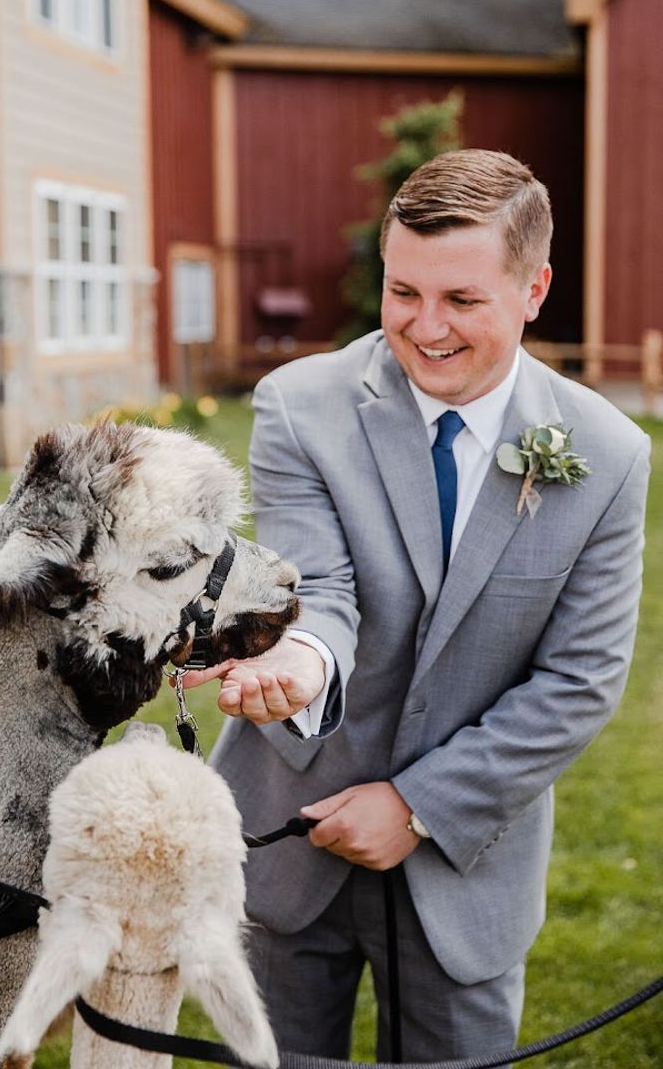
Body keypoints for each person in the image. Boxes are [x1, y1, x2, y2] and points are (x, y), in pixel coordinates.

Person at [182, 149, 650, 1062]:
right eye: (404, 292)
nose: (425, 328)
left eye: (462, 301)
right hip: (288, 832)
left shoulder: (609, 452)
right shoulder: (299, 405)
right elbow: (320, 588)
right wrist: (298, 664)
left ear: (534, 288)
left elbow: (581, 680)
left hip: (464, 860)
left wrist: (417, 804)